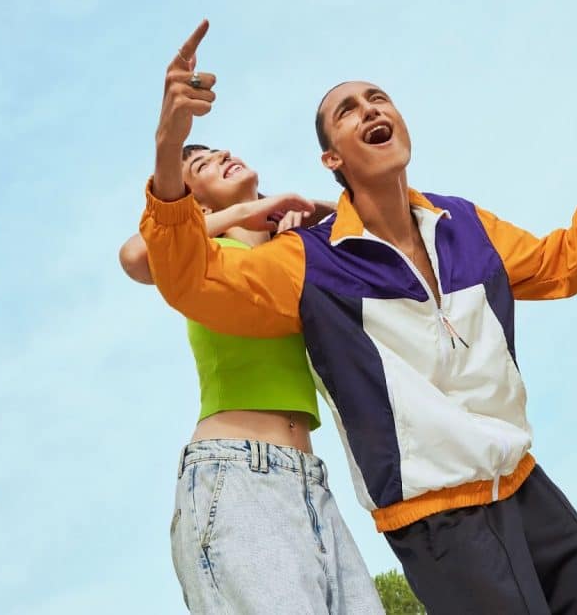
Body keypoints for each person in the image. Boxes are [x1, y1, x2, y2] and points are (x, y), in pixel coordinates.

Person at [142, 19, 577, 614]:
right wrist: (170, 145)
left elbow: (569, 262)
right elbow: (189, 277)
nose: (370, 109)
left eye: (378, 97)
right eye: (348, 109)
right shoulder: (309, 261)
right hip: (438, 519)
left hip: (527, 486)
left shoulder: (464, 225)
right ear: (331, 156)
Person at [121, 143, 383, 610]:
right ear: (196, 205)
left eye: (223, 152)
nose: (222, 157)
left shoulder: (293, 258)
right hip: (236, 477)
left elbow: (378, 227)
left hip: (311, 484)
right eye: (203, 166)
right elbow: (136, 254)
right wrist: (246, 210)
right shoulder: (202, 257)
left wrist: (307, 207)